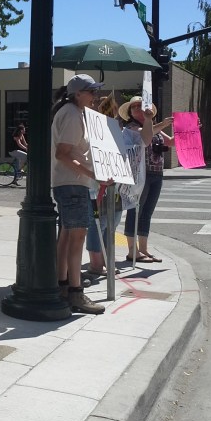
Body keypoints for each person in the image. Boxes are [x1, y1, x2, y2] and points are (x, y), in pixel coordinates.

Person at [51, 74, 110, 315]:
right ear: (78, 93)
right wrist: (92, 174)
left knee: (67, 237)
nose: (95, 96)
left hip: (69, 183)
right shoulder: (73, 115)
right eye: (91, 91)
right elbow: (62, 153)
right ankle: (75, 292)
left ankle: (64, 285)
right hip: (73, 184)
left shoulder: (71, 112)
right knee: (77, 237)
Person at [86, 94, 154, 277]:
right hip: (98, 183)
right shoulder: (94, 128)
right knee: (98, 224)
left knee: (112, 223)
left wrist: (148, 120)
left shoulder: (120, 129)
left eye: (113, 112)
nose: (111, 114)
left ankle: (107, 261)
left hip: (116, 184)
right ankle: (96, 263)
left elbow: (145, 141)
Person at [121, 96, 174, 262]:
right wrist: (164, 123)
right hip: (139, 174)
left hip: (156, 173)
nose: (138, 109)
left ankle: (143, 249)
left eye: (141, 106)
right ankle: (132, 250)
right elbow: (146, 136)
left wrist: (189, 131)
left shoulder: (150, 125)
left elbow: (170, 142)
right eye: (134, 107)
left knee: (147, 212)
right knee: (135, 210)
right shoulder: (131, 127)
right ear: (130, 112)